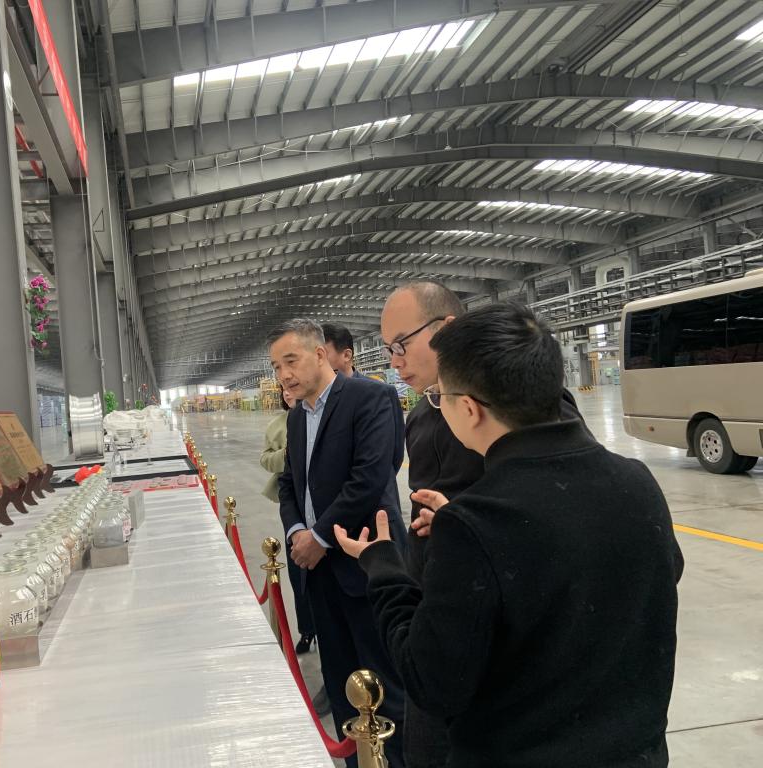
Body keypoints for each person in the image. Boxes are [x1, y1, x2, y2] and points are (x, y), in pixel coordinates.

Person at [334, 303, 683, 768]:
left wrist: (383, 566)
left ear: (469, 409)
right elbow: (648, 576)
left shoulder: (476, 524)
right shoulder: (637, 482)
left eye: (440, 398)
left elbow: (432, 680)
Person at [381, 282, 585, 768]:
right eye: (388, 349)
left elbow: (564, 498)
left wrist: (462, 521)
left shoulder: (526, 406)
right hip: (439, 607)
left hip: (501, 633)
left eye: (401, 344)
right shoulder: (421, 415)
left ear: (447, 329)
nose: (395, 361)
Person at [269, 319, 407, 768]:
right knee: (341, 680)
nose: (284, 375)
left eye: (291, 361)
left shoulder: (369, 398)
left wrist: (320, 537)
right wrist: (297, 532)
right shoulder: (296, 416)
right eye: (276, 367)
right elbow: (289, 484)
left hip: (364, 563)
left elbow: (370, 477)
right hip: (318, 573)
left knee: (384, 685)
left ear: (319, 355)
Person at [260, 386, 316, 654]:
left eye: (291, 388)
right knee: (298, 571)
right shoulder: (277, 425)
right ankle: (307, 630)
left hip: (318, 502)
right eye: (283, 390)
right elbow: (265, 459)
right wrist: (285, 455)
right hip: (292, 502)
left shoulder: (320, 417)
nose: (287, 393)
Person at [322, 322, 405, 473]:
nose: (318, 361)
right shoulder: (315, 400)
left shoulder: (381, 394)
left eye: (323, 354)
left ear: (346, 355)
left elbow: (395, 453)